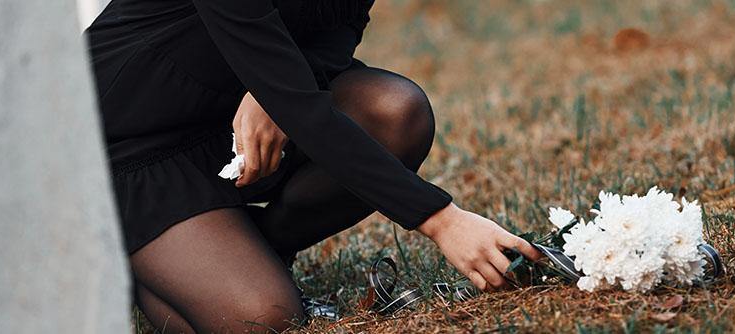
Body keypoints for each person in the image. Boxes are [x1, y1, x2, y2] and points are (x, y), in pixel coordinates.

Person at [84, 0, 542, 332]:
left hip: (230, 113)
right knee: (263, 319)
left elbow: (339, 34)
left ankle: (253, 244)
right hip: (128, 144)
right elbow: (300, 106)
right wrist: (443, 221)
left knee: (394, 112)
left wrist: (275, 90)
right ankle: (134, 262)